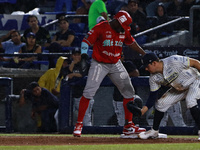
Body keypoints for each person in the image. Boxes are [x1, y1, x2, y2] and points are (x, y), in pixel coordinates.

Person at [73, 10, 146, 137]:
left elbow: (131, 42)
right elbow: (86, 41)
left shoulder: (123, 30)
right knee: (89, 92)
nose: (123, 29)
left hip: (116, 63)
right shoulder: (101, 27)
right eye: (122, 26)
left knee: (129, 91)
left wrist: (144, 54)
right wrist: (84, 56)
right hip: (99, 63)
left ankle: (128, 126)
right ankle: (79, 125)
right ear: (117, 21)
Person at [128, 52, 200, 140]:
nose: (146, 69)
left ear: (154, 63)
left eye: (147, 66)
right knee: (160, 104)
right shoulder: (153, 78)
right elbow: (153, 96)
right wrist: (143, 110)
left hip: (194, 80)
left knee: (190, 101)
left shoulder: (173, 60)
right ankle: (154, 131)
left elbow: (195, 63)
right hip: (179, 88)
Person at [112, 53, 141, 126]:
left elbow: (136, 73)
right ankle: (124, 133)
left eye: (120, 57)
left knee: (134, 118)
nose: (119, 59)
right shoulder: (111, 66)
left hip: (130, 97)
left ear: (123, 57)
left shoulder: (128, 64)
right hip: (118, 97)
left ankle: (133, 131)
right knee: (121, 121)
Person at [69, 48, 94, 126]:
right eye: (75, 55)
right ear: (72, 56)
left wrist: (73, 74)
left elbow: (82, 74)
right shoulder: (70, 63)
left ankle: (89, 136)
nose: (77, 57)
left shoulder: (85, 63)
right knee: (66, 118)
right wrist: (73, 64)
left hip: (84, 95)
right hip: (72, 96)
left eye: (78, 55)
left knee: (86, 118)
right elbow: (66, 74)